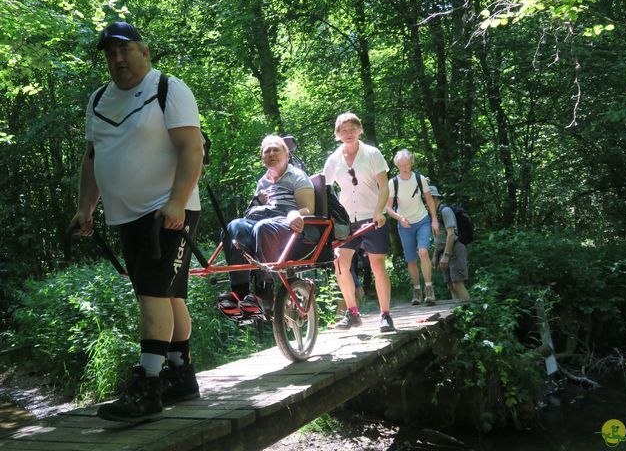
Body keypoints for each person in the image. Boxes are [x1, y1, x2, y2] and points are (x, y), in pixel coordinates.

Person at [69, 22, 204, 423]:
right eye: (110, 53)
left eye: (124, 49)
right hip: (127, 215)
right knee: (169, 293)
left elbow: (190, 148)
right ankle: (181, 374)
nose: (117, 58)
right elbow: (94, 158)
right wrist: (85, 207)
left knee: (152, 294)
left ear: (144, 51)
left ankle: (148, 386)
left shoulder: (168, 88)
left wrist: (177, 202)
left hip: (166, 210)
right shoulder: (98, 100)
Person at [217, 135, 315, 319]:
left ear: (286, 154)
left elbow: (308, 209)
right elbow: (250, 213)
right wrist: (256, 201)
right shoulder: (262, 182)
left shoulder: (297, 175)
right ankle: (240, 292)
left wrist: (295, 213)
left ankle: (264, 293)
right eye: (266, 151)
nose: (271, 153)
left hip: (286, 223)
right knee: (233, 227)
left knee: (263, 227)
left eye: (276, 149)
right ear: (262, 158)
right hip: (261, 220)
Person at [324, 112, 395, 333]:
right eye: (343, 130)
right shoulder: (333, 159)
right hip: (346, 221)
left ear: (360, 130)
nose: (348, 134)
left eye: (352, 129)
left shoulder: (372, 154)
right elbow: (323, 189)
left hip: (373, 218)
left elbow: (384, 186)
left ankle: (385, 315)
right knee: (340, 264)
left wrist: (379, 211)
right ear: (337, 134)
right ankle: (353, 313)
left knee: (377, 265)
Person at [385, 149, 439, 306]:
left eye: (406, 164)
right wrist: (399, 218)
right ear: (397, 166)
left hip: (422, 220)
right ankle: (417, 290)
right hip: (404, 224)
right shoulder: (393, 182)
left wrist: (434, 219)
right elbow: (388, 207)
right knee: (411, 259)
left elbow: (429, 200)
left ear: (411, 163)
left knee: (423, 252)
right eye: (401, 165)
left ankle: (429, 288)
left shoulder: (419, 179)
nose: (404, 167)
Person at [430, 186, 470, 301]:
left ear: (434, 198)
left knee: (457, 283)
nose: (424, 203)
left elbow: (451, 234)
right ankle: (457, 311)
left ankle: (468, 314)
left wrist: (446, 256)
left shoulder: (445, 211)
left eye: (425, 199)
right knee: (451, 285)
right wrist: (435, 256)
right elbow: (439, 237)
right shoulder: (434, 215)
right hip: (444, 252)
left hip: (455, 249)